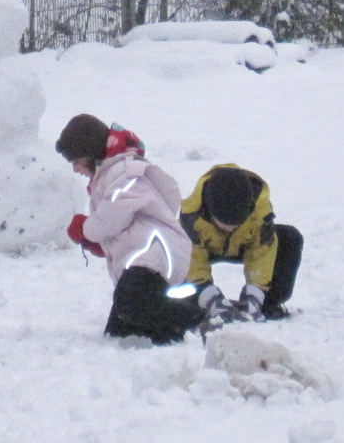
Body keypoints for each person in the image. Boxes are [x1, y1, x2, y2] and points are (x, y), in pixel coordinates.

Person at [55, 113, 200, 345]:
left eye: (76, 161)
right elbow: (124, 223)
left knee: (130, 305)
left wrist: (85, 229)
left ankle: (200, 318)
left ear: (90, 153)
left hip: (153, 254)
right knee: (120, 334)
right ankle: (170, 330)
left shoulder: (125, 173)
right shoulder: (110, 176)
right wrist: (101, 244)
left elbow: (112, 217)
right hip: (141, 258)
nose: (75, 169)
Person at [180, 164, 304, 325]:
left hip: (243, 245)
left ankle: (266, 304)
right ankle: (191, 308)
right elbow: (193, 260)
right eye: (224, 223)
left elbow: (261, 253)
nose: (230, 228)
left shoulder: (260, 213)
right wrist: (208, 296)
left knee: (289, 237)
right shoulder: (192, 217)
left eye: (237, 223)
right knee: (169, 249)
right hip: (204, 250)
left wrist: (255, 295)